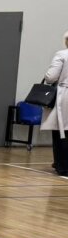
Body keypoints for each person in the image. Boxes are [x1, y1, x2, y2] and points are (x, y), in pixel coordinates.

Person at [41, 33, 68, 176]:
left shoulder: (62, 54)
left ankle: (62, 165)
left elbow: (51, 77)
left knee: (61, 131)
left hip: (65, 95)